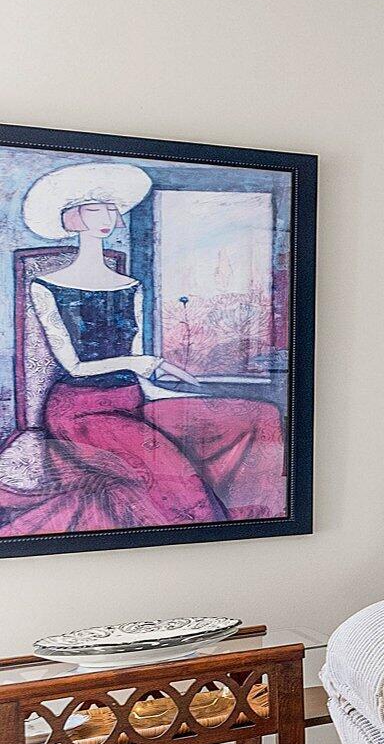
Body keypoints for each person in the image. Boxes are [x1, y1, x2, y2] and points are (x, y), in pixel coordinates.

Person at [0, 161, 286, 533]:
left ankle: (260, 520)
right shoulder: (46, 287)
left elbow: (138, 370)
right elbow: (75, 367)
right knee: (172, 473)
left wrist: (168, 390)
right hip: (78, 412)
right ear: (73, 218)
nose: (107, 217)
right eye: (95, 209)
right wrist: (146, 362)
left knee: (257, 415)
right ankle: (205, 537)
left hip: (133, 399)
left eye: (110, 209)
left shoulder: (131, 286)